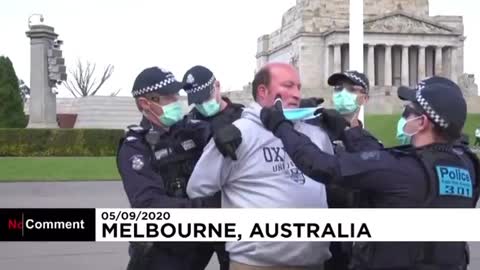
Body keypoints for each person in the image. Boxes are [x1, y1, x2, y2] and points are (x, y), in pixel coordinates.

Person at [259, 76, 480, 270]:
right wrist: (350, 130)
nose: (404, 115)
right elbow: (379, 159)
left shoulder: (401, 170)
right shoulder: (468, 165)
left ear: (421, 122)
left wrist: (281, 126)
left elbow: (321, 165)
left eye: (408, 111)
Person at [186, 62, 333, 270]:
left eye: (298, 87)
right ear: (262, 91)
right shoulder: (237, 135)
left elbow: (332, 175)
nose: (296, 94)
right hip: (256, 263)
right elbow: (198, 188)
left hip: (314, 261)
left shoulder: (314, 133)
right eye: (288, 86)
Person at [117, 67, 227, 270]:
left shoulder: (189, 130)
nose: (177, 101)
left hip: (196, 249)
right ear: (145, 103)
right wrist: (212, 207)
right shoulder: (136, 146)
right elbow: (150, 208)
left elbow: (222, 132)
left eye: (177, 94)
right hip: (161, 254)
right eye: (168, 97)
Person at [181, 65, 246, 269]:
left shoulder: (243, 117)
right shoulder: (188, 122)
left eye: (205, 97)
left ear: (217, 86)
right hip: (200, 212)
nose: (201, 104)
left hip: (233, 210)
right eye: (196, 100)